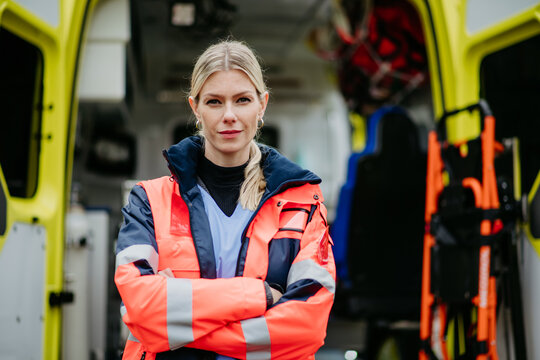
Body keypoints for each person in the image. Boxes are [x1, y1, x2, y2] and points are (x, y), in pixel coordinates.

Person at [115, 39, 336, 360]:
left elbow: (307, 327)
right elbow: (142, 307)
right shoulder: (149, 200)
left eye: (242, 100)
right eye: (215, 102)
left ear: (262, 105)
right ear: (196, 108)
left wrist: (179, 328)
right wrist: (259, 295)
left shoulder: (303, 202)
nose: (229, 115)